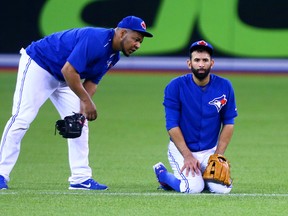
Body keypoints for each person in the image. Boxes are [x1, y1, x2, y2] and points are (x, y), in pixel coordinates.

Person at [0, 15, 153, 190]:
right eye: (136, 39)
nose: (138, 45)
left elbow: (91, 83)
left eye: (140, 42)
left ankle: (80, 178)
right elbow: (69, 70)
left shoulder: (113, 56)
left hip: (66, 78)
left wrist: (82, 112)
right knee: (22, 118)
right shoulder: (96, 39)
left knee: (80, 123)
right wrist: (87, 102)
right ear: (123, 33)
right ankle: (0, 173)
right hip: (40, 64)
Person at [153, 40, 238, 194]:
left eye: (205, 60)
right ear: (189, 63)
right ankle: (163, 174)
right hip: (181, 149)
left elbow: (229, 122)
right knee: (192, 188)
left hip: (209, 151)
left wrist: (218, 155)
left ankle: (203, 176)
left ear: (212, 63)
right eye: (197, 60)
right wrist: (187, 155)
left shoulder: (225, 86)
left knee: (222, 190)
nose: (201, 64)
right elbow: (172, 125)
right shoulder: (175, 86)